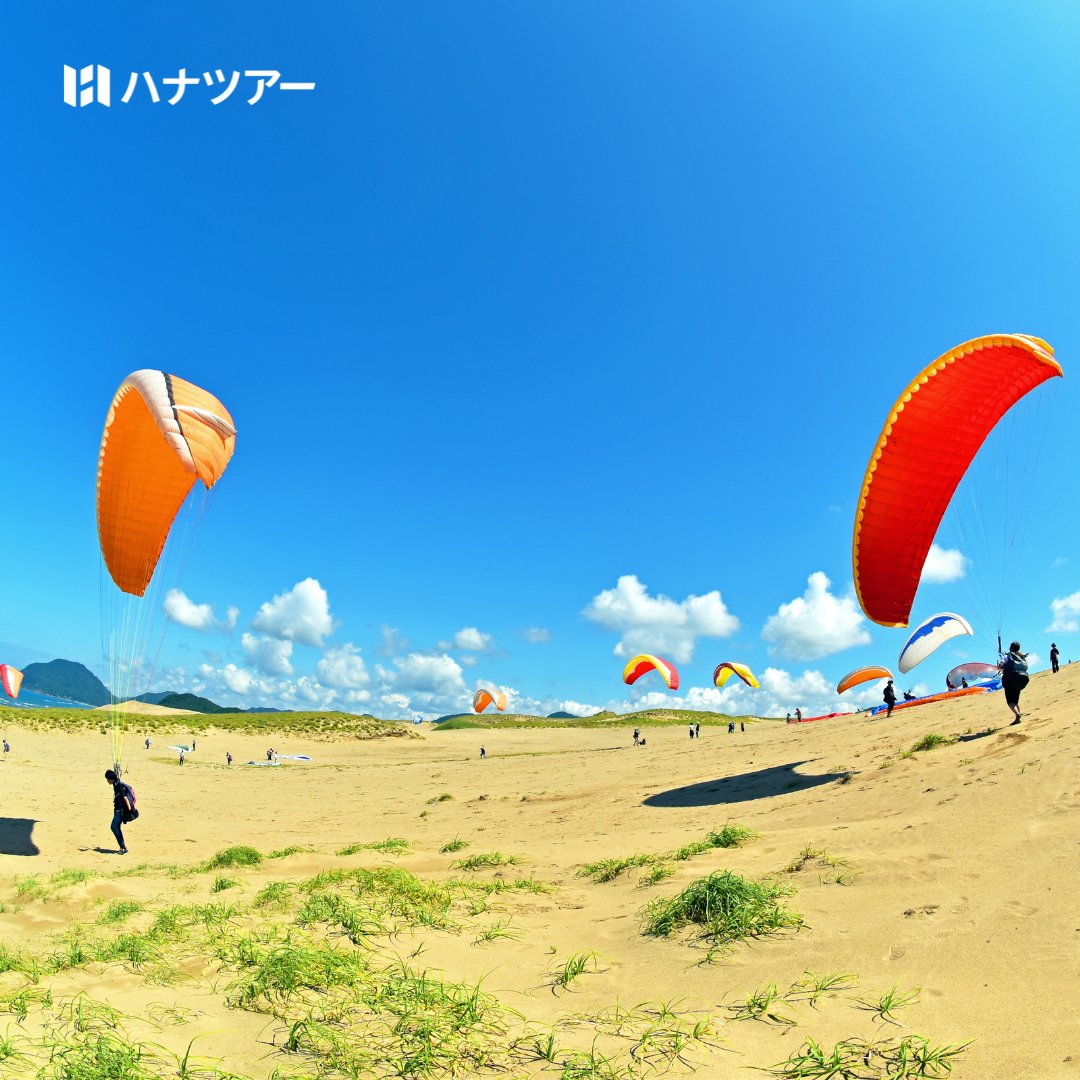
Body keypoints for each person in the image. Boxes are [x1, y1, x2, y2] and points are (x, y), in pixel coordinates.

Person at [105, 769, 133, 854]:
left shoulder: (118, 786)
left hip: (120, 811)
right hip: (117, 809)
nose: (107, 781)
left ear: (112, 779)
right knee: (116, 827)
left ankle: (123, 847)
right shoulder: (115, 783)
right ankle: (123, 847)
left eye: (108, 779)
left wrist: (130, 810)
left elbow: (124, 798)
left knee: (114, 826)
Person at [1001, 641, 1030, 724]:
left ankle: (1017, 715)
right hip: (1019, 680)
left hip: (1009, 680)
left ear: (1010, 648)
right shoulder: (1021, 657)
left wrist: (1000, 666)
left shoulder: (1007, 656)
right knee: (1015, 701)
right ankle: (1018, 718)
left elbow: (1001, 664)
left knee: (1010, 701)